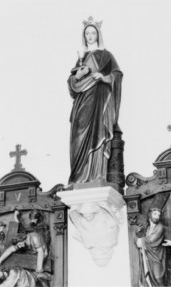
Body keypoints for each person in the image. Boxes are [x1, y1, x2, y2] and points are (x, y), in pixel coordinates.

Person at [68, 16, 123, 184]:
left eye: (93, 33)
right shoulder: (80, 58)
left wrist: (104, 77)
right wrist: (77, 75)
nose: (90, 36)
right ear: (84, 36)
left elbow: (117, 75)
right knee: (78, 138)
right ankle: (79, 177)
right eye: (87, 33)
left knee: (98, 132)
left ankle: (96, 175)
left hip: (99, 101)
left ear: (98, 35)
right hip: (82, 104)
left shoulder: (106, 56)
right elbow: (72, 85)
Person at [136, 193, 170, 286]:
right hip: (148, 257)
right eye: (155, 214)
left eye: (159, 215)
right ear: (150, 214)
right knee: (150, 279)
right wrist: (139, 234)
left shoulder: (160, 227)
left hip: (157, 257)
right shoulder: (147, 228)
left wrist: (140, 239)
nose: (157, 216)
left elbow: (151, 240)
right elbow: (144, 240)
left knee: (158, 277)